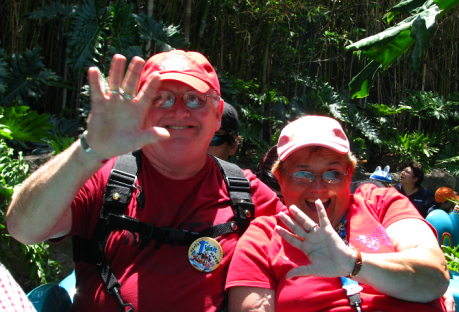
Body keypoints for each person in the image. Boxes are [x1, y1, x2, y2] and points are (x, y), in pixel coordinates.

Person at [6, 50, 284, 312]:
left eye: (194, 99)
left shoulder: (247, 194)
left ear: (216, 114)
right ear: (140, 112)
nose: (178, 111)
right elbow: (24, 230)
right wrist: (89, 149)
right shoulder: (104, 178)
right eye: (161, 98)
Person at [226, 115, 449, 311]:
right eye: (302, 174)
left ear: (349, 174)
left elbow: (434, 278)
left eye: (332, 173)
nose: (318, 188)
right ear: (280, 179)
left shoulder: (380, 203)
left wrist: (352, 263)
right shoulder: (263, 236)